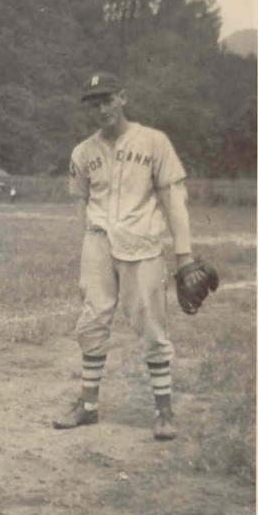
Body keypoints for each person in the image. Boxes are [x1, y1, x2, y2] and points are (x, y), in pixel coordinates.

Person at [53, 71, 200, 440]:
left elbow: (173, 201)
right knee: (91, 321)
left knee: (151, 324)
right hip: (99, 242)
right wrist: (86, 246)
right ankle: (87, 406)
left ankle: (164, 411)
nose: (101, 108)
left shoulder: (154, 141)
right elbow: (81, 203)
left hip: (143, 243)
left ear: (123, 97)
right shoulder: (83, 152)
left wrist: (184, 256)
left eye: (107, 99)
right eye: (94, 102)